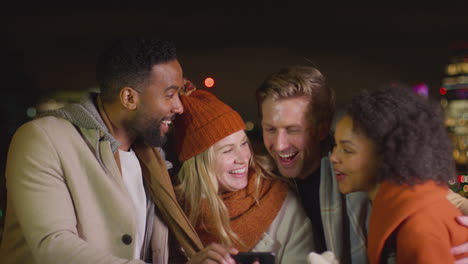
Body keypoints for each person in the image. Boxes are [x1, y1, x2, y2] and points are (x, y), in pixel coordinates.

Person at [0, 37, 203, 263]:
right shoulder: (43, 139)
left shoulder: (152, 157)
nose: (179, 107)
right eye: (170, 94)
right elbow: (54, 246)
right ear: (129, 98)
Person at [255, 65, 468, 263]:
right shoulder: (261, 179)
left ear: (322, 129)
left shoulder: (359, 167)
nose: (280, 145)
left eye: (293, 130)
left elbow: (420, 192)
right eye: (270, 129)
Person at [172, 89, 315, 263]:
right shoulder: (173, 214)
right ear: (200, 164)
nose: (243, 158)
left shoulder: (281, 203)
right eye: (227, 150)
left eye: (243, 144)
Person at [330, 85, 468, 263]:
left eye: (347, 150)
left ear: (388, 154)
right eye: (335, 146)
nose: (333, 157)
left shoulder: (419, 226)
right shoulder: (407, 205)